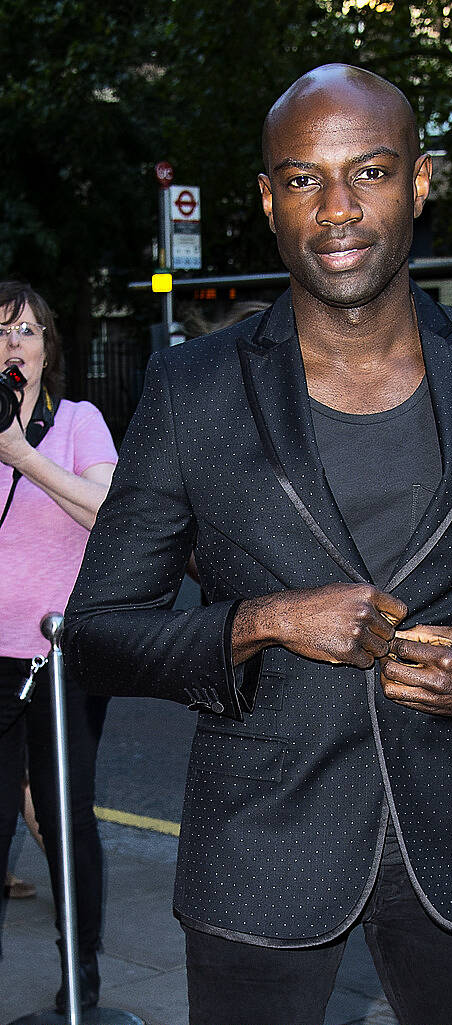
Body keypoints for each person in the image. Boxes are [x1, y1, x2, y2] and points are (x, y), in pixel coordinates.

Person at [63, 66, 452, 1025]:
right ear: (268, 200)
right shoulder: (193, 389)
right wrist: (262, 620)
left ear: (420, 181)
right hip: (259, 856)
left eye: (368, 171)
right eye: (302, 180)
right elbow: (95, 631)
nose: (336, 209)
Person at [0, 281, 117, 1011]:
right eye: (1, 332)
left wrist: (18, 450)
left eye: (28, 332)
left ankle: (81, 990)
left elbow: (106, 510)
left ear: (48, 350)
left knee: (65, 821)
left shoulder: (78, 421)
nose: (14, 345)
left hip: (61, 659)